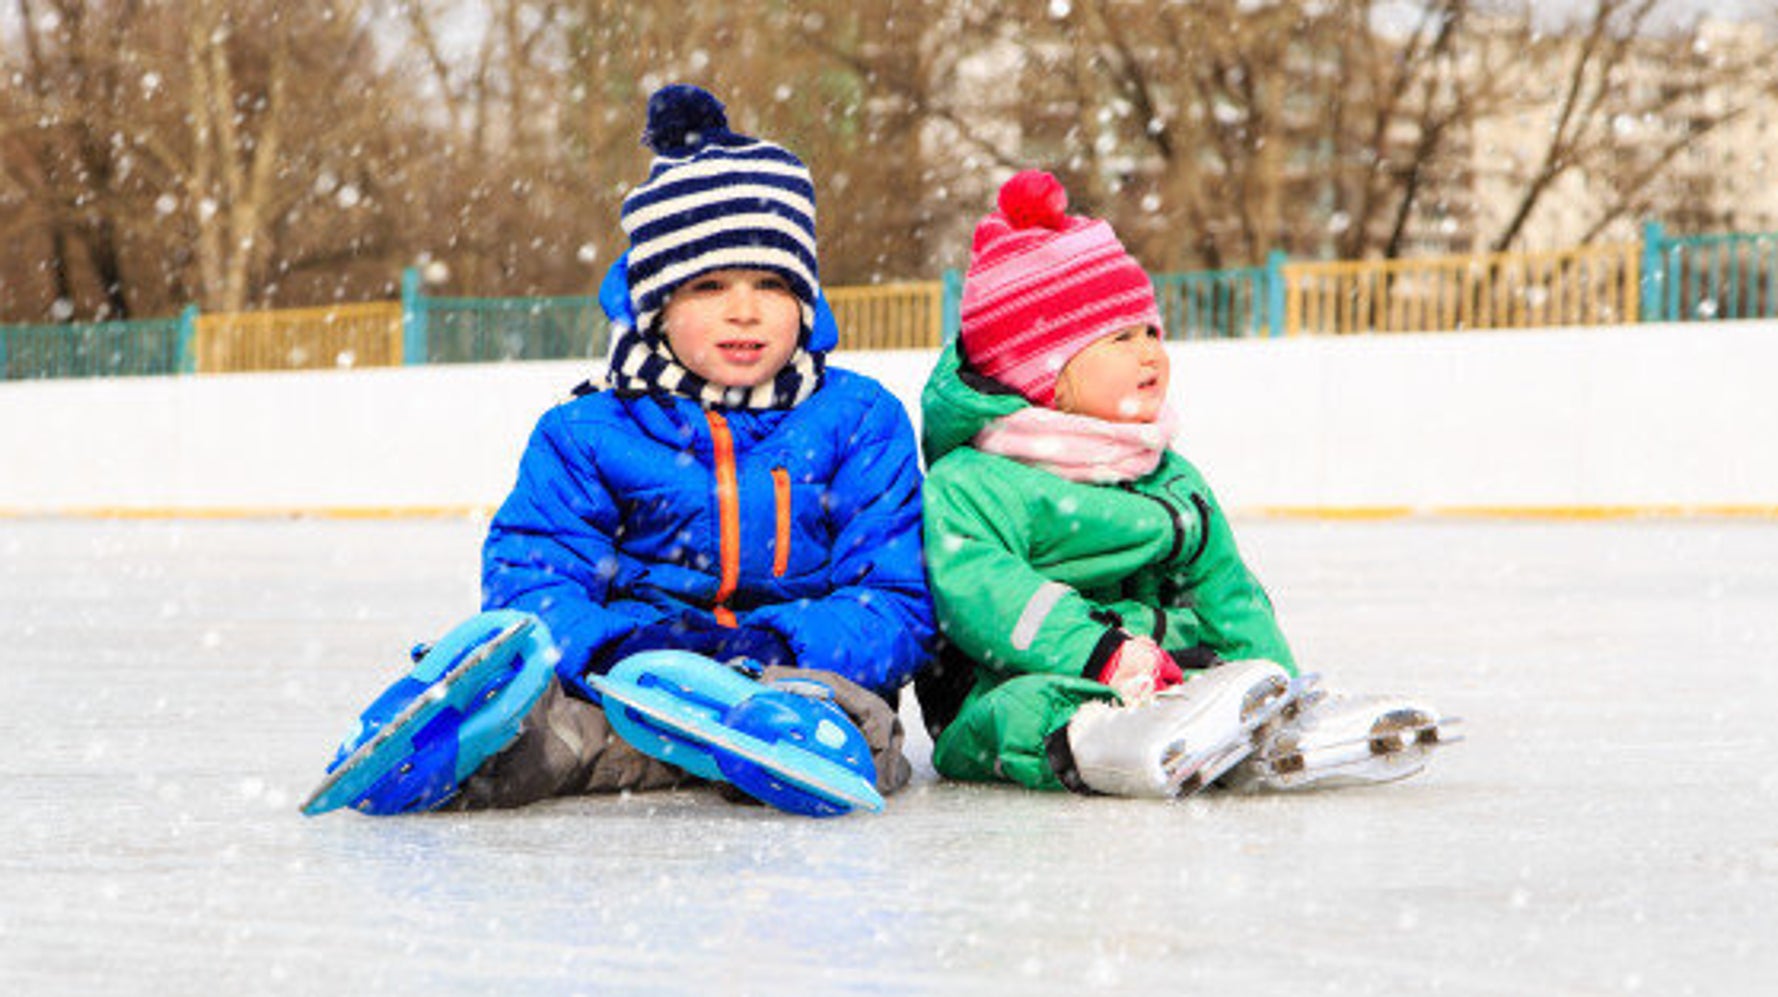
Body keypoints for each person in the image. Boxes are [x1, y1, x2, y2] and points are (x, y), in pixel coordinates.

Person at [311, 84, 933, 816]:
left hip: (798, 674)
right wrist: (623, 650)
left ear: (807, 300)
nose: (745, 308)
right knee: (574, 715)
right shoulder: (590, 432)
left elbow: (895, 603)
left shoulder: (858, 420)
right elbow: (534, 580)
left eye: (772, 282)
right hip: (638, 684)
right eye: (708, 285)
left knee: (858, 726)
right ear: (655, 307)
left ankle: (774, 741)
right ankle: (469, 742)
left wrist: (775, 646)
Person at [916, 170, 1451, 798]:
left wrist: (1271, 676)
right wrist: (1101, 652)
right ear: (1044, 373)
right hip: (1007, 681)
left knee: (1222, 671)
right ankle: (1095, 741)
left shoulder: (1165, 474)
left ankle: (1264, 737)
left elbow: (1227, 589)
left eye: (1152, 333)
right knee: (1024, 706)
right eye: (1121, 338)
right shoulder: (971, 482)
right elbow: (988, 596)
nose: (1151, 354)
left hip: (1162, 670)